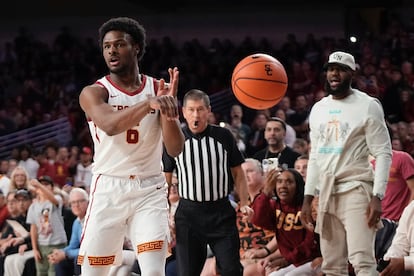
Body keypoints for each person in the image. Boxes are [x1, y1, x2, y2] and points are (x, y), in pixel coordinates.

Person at [77, 16, 185, 276]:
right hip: (109, 188)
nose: (111, 50)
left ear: (136, 47)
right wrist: (148, 104)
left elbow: (175, 149)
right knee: (94, 273)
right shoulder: (94, 92)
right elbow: (111, 124)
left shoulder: (158, 89)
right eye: (106, 46)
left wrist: (169, 111)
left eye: (119, 44)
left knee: (153, 271)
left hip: (149, 187)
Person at [300, 51, 393, 275]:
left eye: (340, 69)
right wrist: (307, 198)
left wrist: (377, 196)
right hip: (326, 192)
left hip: (356, 189)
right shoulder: (318, 109)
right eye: (331, 69)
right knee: (331, 265)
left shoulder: (369, 105)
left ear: (352, 73)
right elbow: (315, 157)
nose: (334, 73)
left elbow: (383, 152)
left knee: (362, 260)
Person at [163, 89, 253, 276]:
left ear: (209, 110)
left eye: (200, 109)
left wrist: (244, 202)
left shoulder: (224, 136)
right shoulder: (174, 138)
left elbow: (238, 172)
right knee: (187, 272)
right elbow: (166, 177)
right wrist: (163, 213)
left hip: (221, 212)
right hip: (188, 215)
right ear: (184, 112)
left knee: (231, 269)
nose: (196, 114)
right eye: (191, 110)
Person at [251, 168, 322, 275]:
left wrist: (286, 260)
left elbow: (310, 243)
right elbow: (258, 220)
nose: (283, 185)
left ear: (298, 186)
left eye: (289, 182)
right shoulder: (276, 205)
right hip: (294, 261)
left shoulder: (307, 206)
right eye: (279, 182)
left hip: (314, 259)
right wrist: (266, 192)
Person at [27, 176, 68, 276]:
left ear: (52, 188)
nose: (42, 187)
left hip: (57, 243)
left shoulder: (57, 199)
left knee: (53, 273)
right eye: (41, 184)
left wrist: (39, 185)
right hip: (41, 245)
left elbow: (53, 199)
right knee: (41, 272)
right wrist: (35, 249)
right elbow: (33, 228)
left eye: (46, 185)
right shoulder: (33, 206)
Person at [47, 187, 89, 276]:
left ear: (88, 203)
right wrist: (59, 253)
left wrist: (66, 254)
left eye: (80, 201)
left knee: (78, 258)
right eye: (73, 202)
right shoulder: (77, 222)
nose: (76, 205)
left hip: (93, 255)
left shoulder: (92, 221)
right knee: (60, 261)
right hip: (82, 254)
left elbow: (89, 249)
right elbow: (73, 246)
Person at [379, 200, 414, 276]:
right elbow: (399, 245)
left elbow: (404, 263)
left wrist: (404, 263)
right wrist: (389, 261)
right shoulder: (411, 209)